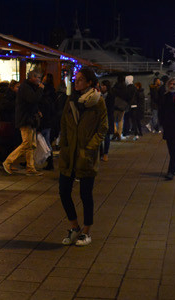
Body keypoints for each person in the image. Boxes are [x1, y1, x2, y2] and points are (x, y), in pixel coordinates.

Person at [58, 68, 106, 247]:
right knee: (63, 191)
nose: (76, 82)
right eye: (75, 79)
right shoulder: (70, 101)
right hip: (69, 154)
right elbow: (63, 123)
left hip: (86, 154)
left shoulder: (98, 102)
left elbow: (103, 128)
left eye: (80, 80)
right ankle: (74, 227)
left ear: (89, 83)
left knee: (85, 194)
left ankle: (86, 232)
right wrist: (64, 145)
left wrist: (90, 148)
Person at [3, 71, 43, 175]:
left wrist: (37, 111)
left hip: (30, 119)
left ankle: (30, 168)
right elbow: (33, 99)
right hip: (25, 119)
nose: (39, 79)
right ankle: (8, 162)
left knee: (31, 144)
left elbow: (32, 102)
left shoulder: (29, 87)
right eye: (37, 77)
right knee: (27, 143)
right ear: (31, 78)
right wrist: (40, 89)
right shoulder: (26, 87)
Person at [96, 80, 113, 161]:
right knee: (99, 136)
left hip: (108, 118)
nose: (102, 87)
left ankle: (105, 153)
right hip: (99, 118)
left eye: (103, 85)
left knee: (106, 136)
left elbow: (110, 109)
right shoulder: (98, 95)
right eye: (101, 85)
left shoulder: (110, 96)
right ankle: (100, 153)